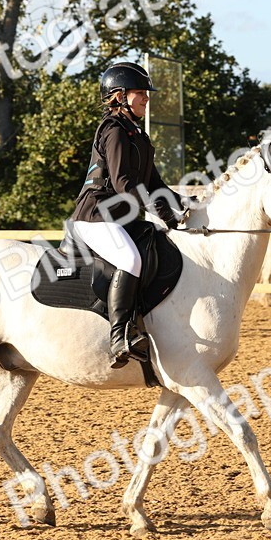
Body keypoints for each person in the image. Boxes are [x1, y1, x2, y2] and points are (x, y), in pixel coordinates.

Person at [68, 60, 182, 369]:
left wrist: (183, 204)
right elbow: (123, 183)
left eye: (146, 93)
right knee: (130, 259)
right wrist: (159, 209)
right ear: (119, 95)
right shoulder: (114, 130)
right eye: (140, 93)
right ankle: (119, 337)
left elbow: (155, 183)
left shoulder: (139, 136)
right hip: (97, 215)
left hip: (124, 218)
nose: (146, 98)